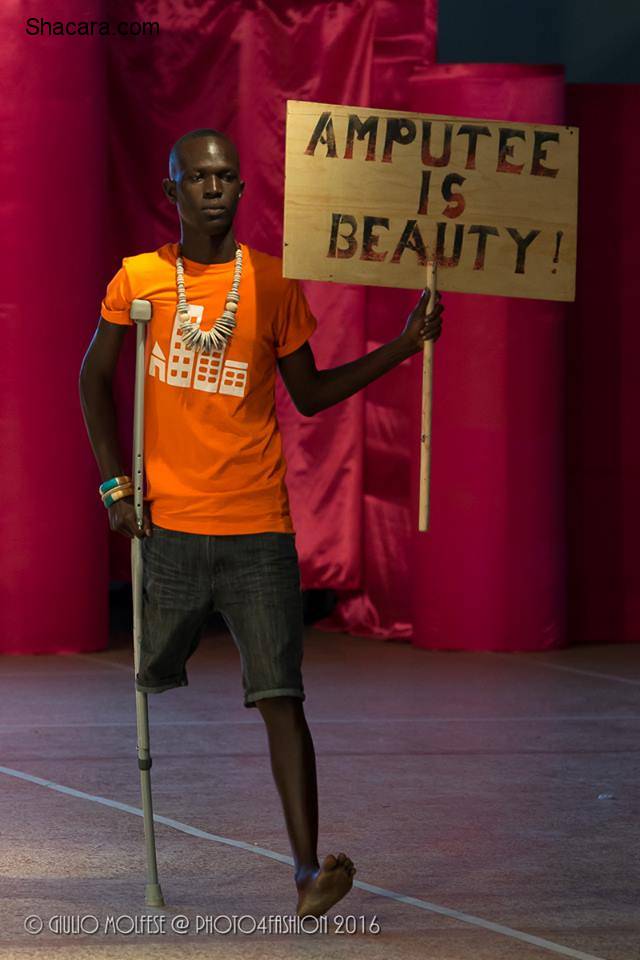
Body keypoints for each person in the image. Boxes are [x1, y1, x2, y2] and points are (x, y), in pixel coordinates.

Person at [79, 128, 444, 919]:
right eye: (198, 178)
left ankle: (308, 871)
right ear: (171, 191)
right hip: (168, 526)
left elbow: (309, 395)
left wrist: (405, 346)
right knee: (153, 675)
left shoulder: (272, 286)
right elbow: (93, 379)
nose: (215, 189)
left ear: (244, 191)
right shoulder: (141, 279)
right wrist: (115, 488)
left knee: (282, 694)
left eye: (227, 178)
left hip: (257, 527)